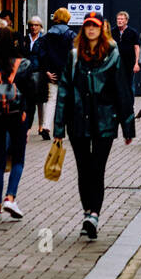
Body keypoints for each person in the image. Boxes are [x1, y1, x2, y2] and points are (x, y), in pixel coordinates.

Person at [53, 12, 135, 239]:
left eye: (95, 26)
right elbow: (63, 92)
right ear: (83, 29)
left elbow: (122, 90)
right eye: (88, 26)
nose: (91, 30)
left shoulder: (112, 55)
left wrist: (128, 126)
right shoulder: (74, 55)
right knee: (83, 169)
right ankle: (87, 211)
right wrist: (58, 128)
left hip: (104, 121)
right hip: (77, 120)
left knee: (97, 169)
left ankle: (94, 215)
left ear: (101, 29)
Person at [0, 26, 36, 222]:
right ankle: (10, 197)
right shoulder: (24, 65)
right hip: (17, 116)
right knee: (18, 159)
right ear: (13, 42)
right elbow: (31, 93)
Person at [39, 8, 76, 141]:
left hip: (52, 73)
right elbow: (74, 55)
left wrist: (47, 71)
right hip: (66, 73)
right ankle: (66, 128)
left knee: (51, 100)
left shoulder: (46, 36)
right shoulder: (71, 35)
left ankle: (46, 127)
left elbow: (42, 55)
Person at [22, 16, 47, 137]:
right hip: (26, 71)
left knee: (40, 100)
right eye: (31, 25)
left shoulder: (43, 40)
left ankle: (41, 125)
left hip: (39, 71)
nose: (33, 27)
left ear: (40, 27)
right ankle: (27, 125)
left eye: (36, 25)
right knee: (28, 100)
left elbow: (45, 55)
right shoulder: (25, 39)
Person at [113, 11, 140, 97]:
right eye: (118, 19)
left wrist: (136, 63)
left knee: (129, 85)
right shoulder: (112, 32)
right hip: (116, 64)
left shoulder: (132, 32)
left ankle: (130, 107)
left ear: (126, 21)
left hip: (129, 64)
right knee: (116, 86)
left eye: (122, 19)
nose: (119, 21)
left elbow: (136, 48)